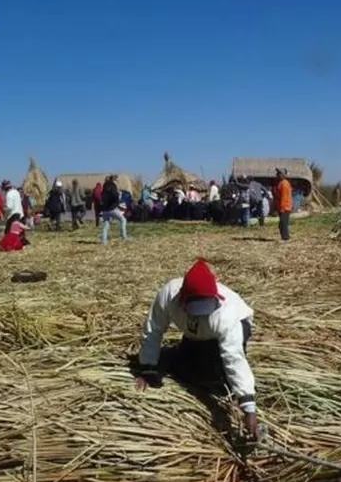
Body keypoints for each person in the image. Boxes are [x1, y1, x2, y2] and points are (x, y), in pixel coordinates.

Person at [134, 259, 258, 440]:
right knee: (190, 375)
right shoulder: (169, 295)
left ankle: (184, 355)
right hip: (194, 333)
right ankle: (172, 355)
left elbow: (234, 358)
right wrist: (147, 367)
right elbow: (153, 329)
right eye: (196, 309)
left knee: (220, 385)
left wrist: (249, 409)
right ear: (183, 299)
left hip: (226, 331)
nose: (201, 313)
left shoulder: (227, 315)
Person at [100, 175, 128, 244]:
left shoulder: (104, 187)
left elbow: (103, 198)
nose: (117, 182)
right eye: (117, 181)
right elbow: (115, 196)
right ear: (114, 180)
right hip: (112, 209)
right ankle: (123, 236)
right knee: (123, 220)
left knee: (106, 224)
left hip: (104, 210)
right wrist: (118, 196)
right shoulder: (113, 186)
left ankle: (103, 240)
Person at [274, 168, 293, 241]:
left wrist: (282, 208)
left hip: (285, 207)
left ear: (282, 175)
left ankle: (285, 238)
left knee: (283, 223)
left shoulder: (284, 184)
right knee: (282, 224)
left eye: (278, 173)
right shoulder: (281, 183)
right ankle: (284, 237)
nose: (276, 175)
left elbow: (284, 197)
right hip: (283, 207)